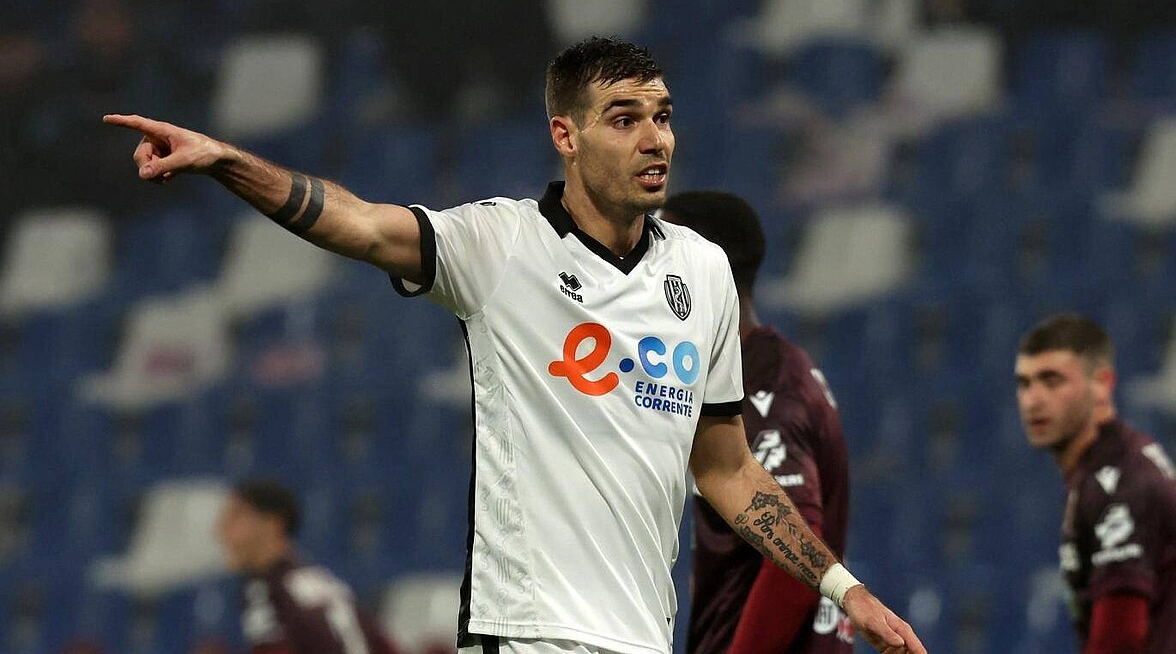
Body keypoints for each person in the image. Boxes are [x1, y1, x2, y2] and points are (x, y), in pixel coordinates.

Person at [106, 37, 923, 654]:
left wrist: (843, 588)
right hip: (526, 631)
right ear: (566, 135)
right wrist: (226, 162)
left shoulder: (703, 271)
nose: (656, 139)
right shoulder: (501, 245)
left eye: (663, 116)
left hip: (642, 636)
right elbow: (359, 223)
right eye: (625, 119)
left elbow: (728, 469)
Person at [658, 192, 853, 654]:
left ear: (707, 267)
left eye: (662, 254)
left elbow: (795, 565)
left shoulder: (764, 387)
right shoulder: (759, 371)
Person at [1015, 314, 1176, 653]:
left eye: (1052, 381)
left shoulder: (1119, 484)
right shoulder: (1115, 464)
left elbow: (1122, 634)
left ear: (1101, 384)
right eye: (1025, 383)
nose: (1033, 400)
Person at [217, 480, 402, 654]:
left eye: (236, 516)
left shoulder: (264, 590)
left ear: (272, 525)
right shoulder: (320, 581)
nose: (221, 530)